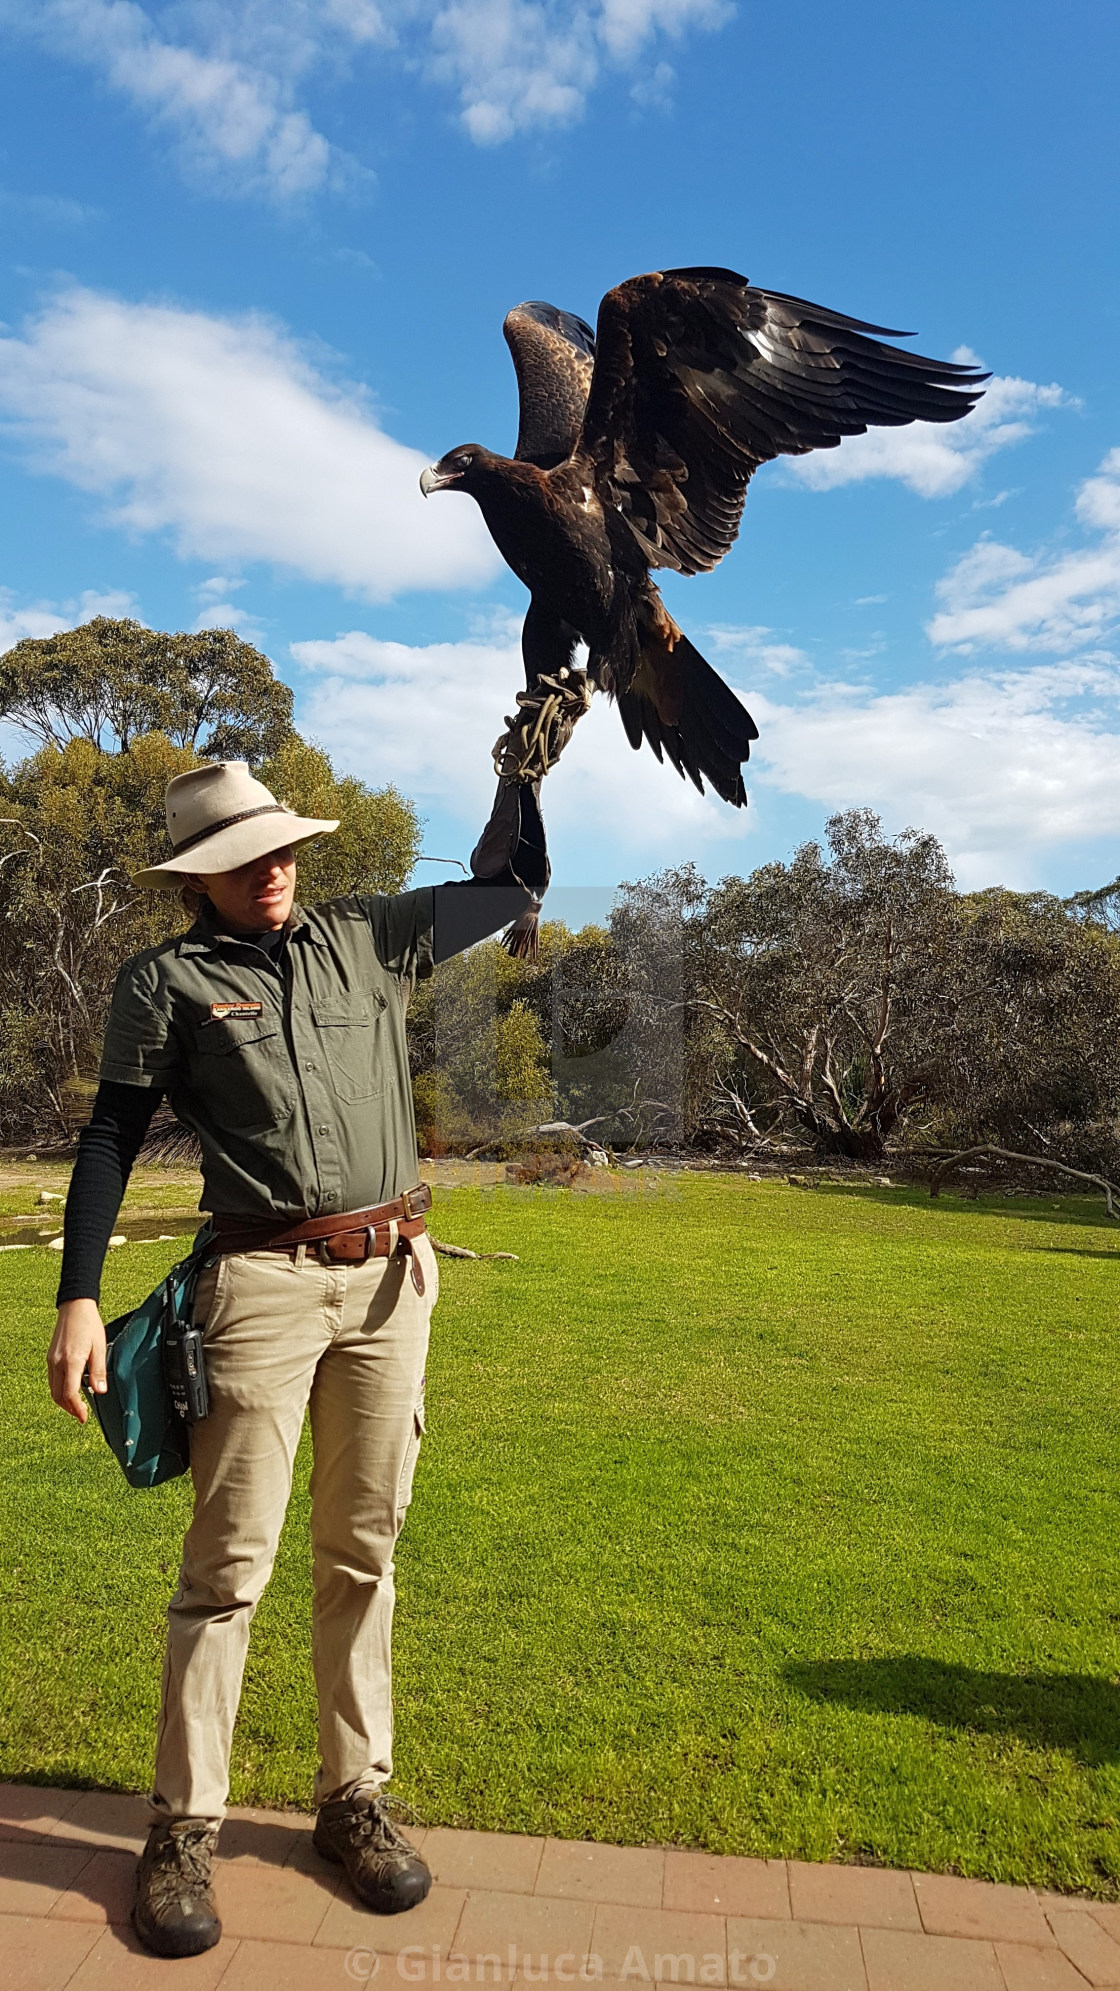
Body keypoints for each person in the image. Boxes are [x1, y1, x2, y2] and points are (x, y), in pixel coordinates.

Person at [47, 757, 546, 1960]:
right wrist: (77, 1296)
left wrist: (525, 767)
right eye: (240, 857)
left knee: (362, 1550)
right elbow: (113, 1134)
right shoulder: (164, 981)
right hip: (258, 1286)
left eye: (280, 848)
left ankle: (352, 1800)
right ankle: (181, 1826)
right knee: (228, 1565)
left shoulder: (369, 935)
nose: (270, 870)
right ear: (198, 876)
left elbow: (510, 883)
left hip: (391, 1282)